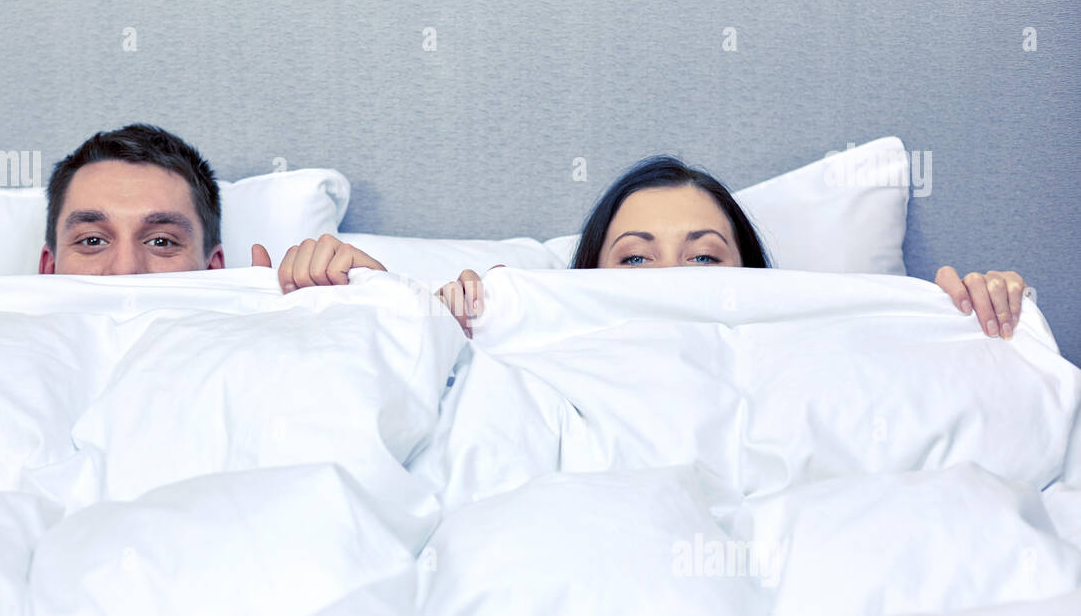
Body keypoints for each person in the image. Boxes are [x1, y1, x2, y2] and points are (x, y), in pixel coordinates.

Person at [436, 156, 1028, 340]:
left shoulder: (817, 341)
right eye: (636, 258)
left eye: (703, 257)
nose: (672, 278)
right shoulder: (538, 343)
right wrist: (450, 326)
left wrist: (980, 322)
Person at [0, 124, 383, 303]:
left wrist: (369, 307)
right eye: (93, 241)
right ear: (48, 265)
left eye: (164, 242)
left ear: (214, 264)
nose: (125, 271)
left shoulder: (278, 335)